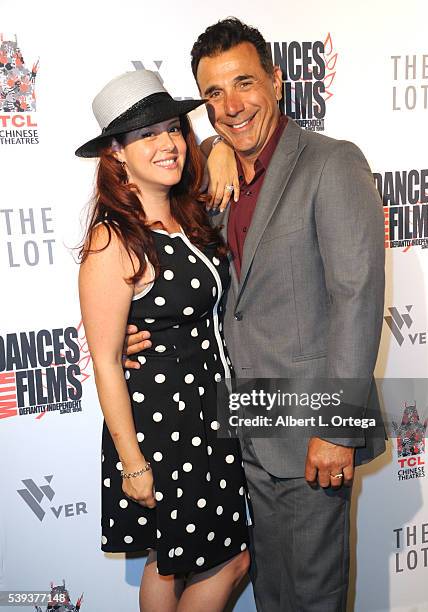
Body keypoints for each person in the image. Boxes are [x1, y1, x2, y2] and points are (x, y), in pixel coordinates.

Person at [125, 18, 386, 612]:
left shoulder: (331, 163)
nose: (231, 105)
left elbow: (357, 297)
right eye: (214, 93)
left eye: (245, 83)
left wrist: (337, 430)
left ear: (276, 81)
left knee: (313, 596)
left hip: (311, 433)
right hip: (242, 429)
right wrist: (123, 339)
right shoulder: (212, 182)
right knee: (273, 593)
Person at [76, 69, 250, 612]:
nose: (169, 143)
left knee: (170, 560)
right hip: (165, 425)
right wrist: (133, 462)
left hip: (211, 411)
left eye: (173, 129)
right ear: (116, 154)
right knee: (216, 558)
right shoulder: (113, 238)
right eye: (147, 135)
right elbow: (105, 361)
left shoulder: (188, 214)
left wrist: (218, 143)